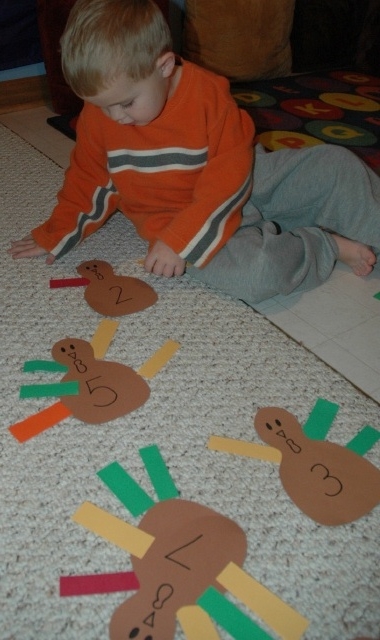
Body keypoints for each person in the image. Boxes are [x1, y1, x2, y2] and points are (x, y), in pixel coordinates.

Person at [8, 0, 380, 305]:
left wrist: (179, 238)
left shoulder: (207, 94)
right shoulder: (102, 116)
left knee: (335, 164)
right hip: (174, 222)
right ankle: (323, 243)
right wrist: (54, 233)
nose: (113, 118)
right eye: (99, 106)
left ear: (165, 67)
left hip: (241, 182)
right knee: (257, 274)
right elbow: (87, 181)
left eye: (125, 103)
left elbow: (231, 172)